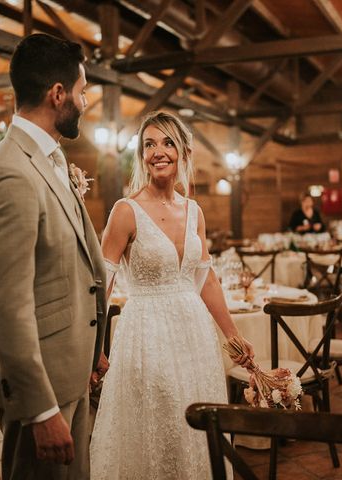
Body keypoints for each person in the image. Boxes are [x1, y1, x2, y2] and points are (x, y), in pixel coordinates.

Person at [0, 33, 108, 480]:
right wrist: (41, 409)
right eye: (83, 92)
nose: (85, 102)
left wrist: (94, 346)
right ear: (57, 94)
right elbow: (5, 305)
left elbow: (70, 265)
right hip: (45, 385)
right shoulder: (8, 172)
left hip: (71, 367)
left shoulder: (50, 157)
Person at [90, 111, 254, 479]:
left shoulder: (194, 211)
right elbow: (102, 285)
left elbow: (205, 278)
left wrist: (233, 336)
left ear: (183, 152)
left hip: (194, 335)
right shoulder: (125, 211)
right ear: (141, 155)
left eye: (167, 142)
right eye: (149, 144)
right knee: (159, 423)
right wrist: (93, 345)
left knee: (195, 423)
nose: (158, 151)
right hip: (146, 334)